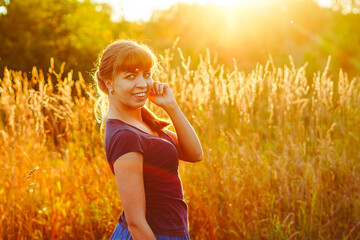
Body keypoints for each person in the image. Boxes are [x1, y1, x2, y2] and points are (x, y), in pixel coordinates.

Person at [94, 40, 203, 240]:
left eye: (146, 74)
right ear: (110, 84)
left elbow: (195, 153)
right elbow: (136, 223)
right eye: (130, 76)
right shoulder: (125, 137)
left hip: (171, 233)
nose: (143, 84)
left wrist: (171, 106)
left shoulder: (144, 122)